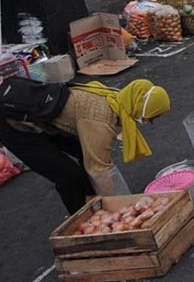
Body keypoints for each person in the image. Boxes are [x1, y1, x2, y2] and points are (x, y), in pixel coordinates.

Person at [0, 80, 170, 213]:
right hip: (15, 125)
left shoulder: (117, 98)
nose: (149, 122)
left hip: (48, 121)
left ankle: (93, 198)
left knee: (84, 153)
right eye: (151, 117)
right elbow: (99, 169)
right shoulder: (100, 121)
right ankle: (82, 219)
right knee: (69, 176)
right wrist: (123, 207)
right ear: (141, 107)